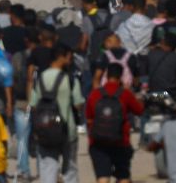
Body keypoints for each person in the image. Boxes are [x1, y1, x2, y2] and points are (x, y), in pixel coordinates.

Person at [30, 42, 82, 183]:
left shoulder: (40, 78)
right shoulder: (71, 79)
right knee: (70, 168)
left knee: (48, 167)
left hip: (45, 130)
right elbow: (78, 104)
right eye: (69, 57)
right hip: (67, 130)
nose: (70, 60)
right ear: (61, 57)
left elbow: (33, 105)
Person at [85, 62, 143, 183]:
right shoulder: (126, 94)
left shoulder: (95, 94)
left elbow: (89, 118)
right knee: (123, 176)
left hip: (98, 142)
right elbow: (139, 110)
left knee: (103, 177)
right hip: (121, 142)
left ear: (106, 75)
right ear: (121, 76)